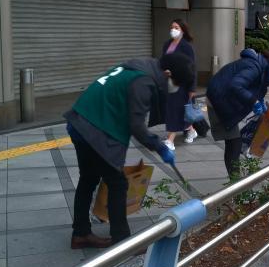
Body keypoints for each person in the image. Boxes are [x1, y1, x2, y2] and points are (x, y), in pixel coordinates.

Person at [64, 53, 194, 248]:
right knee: (117, 183)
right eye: (176, 82)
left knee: (88, 179)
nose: (174, 88)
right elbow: (136, 126)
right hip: (94, 128)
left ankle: (81, 233)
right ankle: (122, 242)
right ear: (167, 73)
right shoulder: (143, 82)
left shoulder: (139, 67)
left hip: (79, 121)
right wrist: (160, 146)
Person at [206, 49, 269, 177]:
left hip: (223, 100)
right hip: (218, 102)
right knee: (234, 143)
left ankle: (236, 181)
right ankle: (235, 184)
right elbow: (236, 85)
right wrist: (254, 102)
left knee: (234, 142)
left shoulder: (259, 69)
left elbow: (254, 88)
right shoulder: (254, 67)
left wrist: (260, 102)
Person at [161, 19, 198, 147]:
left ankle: (170, 140)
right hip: (170, 83)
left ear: (182, 30)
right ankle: (191, 130)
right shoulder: (167, 44)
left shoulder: (187, 47)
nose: (173, 30)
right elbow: (164, 60)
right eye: (172, 27)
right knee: (178, 110)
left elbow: (192, 67)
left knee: (175, 110)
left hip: (183, 83)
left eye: (176, 27)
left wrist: (192, 88)